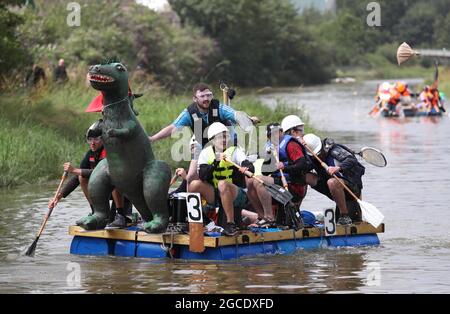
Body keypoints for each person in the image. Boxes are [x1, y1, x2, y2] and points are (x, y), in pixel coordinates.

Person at [149, 83, 240, 184]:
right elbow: (172, 128)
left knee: (231, 165)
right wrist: (153, 138)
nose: (206, 98)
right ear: (195, 99)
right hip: (204, 144)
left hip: (226, 143)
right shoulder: (189, 113)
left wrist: (249, 119)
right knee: (192, 176)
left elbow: (237, 115)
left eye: (209, 95)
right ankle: (192, 185)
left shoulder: (219, 107)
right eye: (202, 96)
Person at [48, 122, 131, 228]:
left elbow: (102, 173)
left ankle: (121, 216)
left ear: (103, 139)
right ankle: (95, 213)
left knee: (112, 175)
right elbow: (77, 178)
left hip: (125, 193)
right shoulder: (90, 154)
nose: (92, 143)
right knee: (81, 177)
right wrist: (58, 197)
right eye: (90, 139)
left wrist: (74, 170)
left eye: (96, 139)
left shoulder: (109, 151)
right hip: (105, 192)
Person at [188, 122, 254, 236]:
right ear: (213, 140)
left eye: (226, 136)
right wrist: (215, 163)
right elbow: (203, 176)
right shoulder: (205, 153)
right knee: (193, 185)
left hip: (237, 195)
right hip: (216, 195)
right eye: (220, 137)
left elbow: (249, 166)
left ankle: (230, 224)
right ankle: (203, 220)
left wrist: (246, 167)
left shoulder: (235, 151)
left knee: (223, 184)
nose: (223, 140)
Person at [246, 119, 308, 228]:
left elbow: (302, 164)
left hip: (293, 186)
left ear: (281, 132)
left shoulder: (290, 144)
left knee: (258, 181)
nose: (274, 137)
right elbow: (266, 171)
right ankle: (262, 217)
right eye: (271, 135)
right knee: (250, 182)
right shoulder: (271, 147)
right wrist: (271, 160)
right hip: (280, 184)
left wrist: (285, 166)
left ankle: (270, 218)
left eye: (276, 133)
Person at [303, 134, 365, 225]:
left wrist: (338, 168)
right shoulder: (311, 156)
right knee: (305, 177)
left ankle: (344, 216)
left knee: (332, 182)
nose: (319, 156)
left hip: (350, 186)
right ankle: (294, 213)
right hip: (331, 187)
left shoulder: (335, 150)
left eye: (319, 153)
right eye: (316, 155)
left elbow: (351, 160)